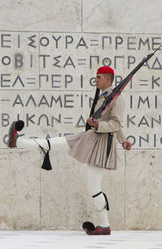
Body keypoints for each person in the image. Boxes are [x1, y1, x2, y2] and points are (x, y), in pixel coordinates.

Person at [7, 66, 132, 235]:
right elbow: (111, 122)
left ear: (109, 79)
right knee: (53, 143)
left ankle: (104, 226)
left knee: (94, 187)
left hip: (100, 145)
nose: (96, 80)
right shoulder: (105, 97)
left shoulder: (118, 99)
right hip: (90, 138)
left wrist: (103, 128)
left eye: (99, 77)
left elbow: (116, 124)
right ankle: (18, 141)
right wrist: (123, 140)